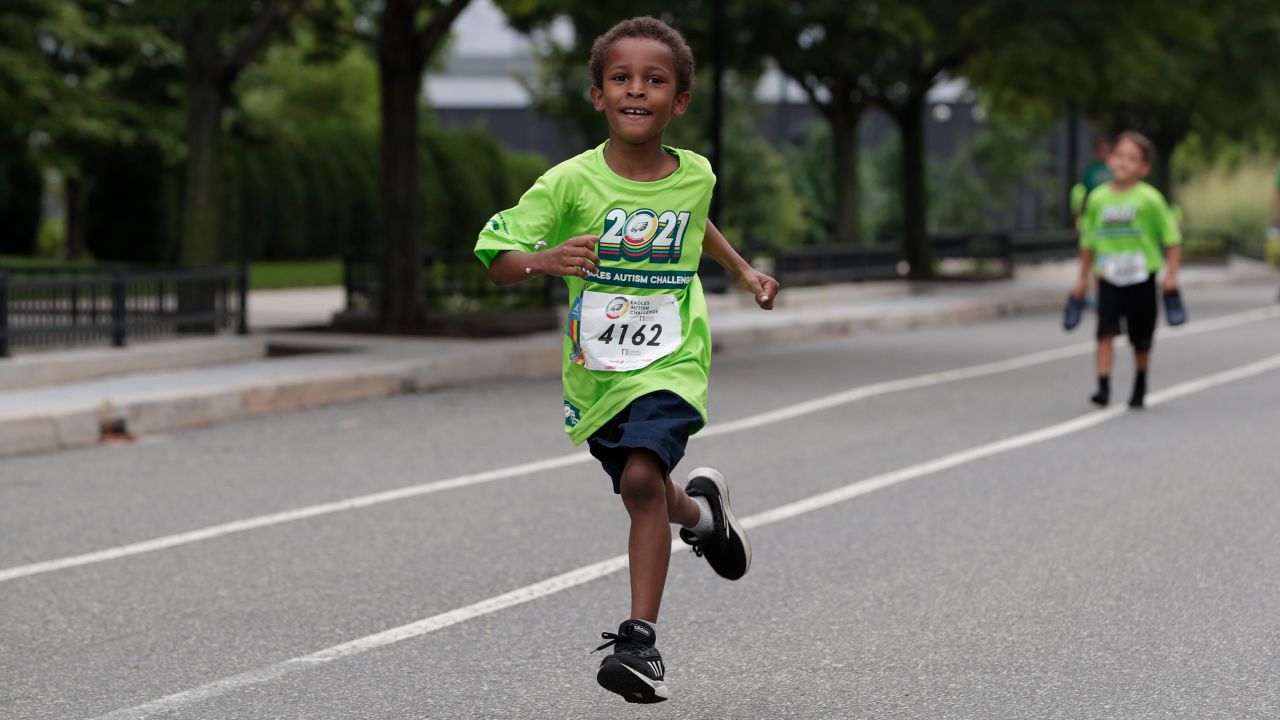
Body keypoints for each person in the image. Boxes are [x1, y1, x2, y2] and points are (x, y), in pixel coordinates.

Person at [473, 16, 779, 704]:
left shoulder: (694, 173)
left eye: (654, 80)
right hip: (598, 371)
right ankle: (703, 518)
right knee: (643, 489)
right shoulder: (568, 184)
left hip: (672, 358)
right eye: (622, 78)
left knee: (643, 477)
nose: (636, 90)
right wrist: (544, 262)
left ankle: (640, 642)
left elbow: (696, 225)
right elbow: (496, 257)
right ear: (598, 95)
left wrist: (744, 270)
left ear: (680, 100)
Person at [1071, 131, 1182, 409]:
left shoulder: (1150, 199)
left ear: (1144, 168)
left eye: (1132, 159)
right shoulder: (1097, 199)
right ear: (1109, 159)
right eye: (1119, 156)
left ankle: (1140, 381)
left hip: (1142, 276)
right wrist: (1082, 278)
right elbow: (1088, 241)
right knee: (1105, 330)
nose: (1123, 163)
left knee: (1140, 335)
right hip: (1108, 275)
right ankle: (1103, 385)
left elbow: (1171, 238)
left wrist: (1172, 274)